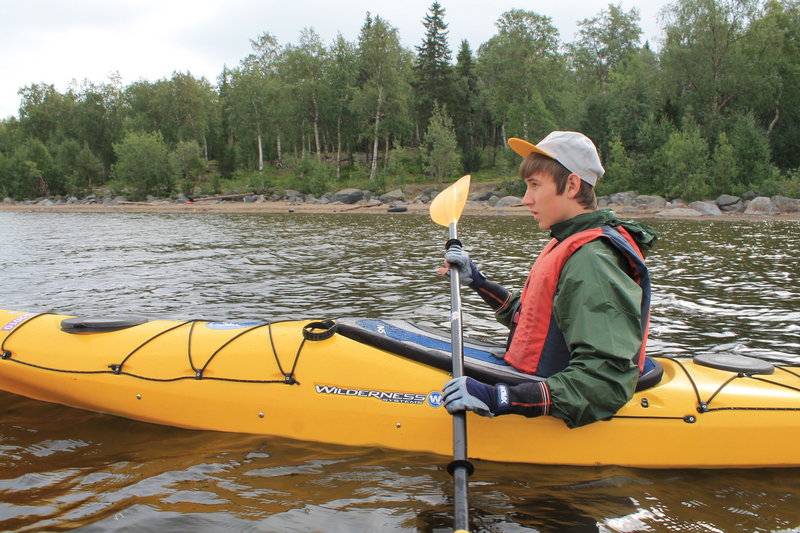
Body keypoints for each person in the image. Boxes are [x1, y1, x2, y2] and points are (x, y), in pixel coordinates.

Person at [441, 131, 658, 428]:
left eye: (534, 186)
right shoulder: (569, 241)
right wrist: (479, 282)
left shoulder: (593, 261)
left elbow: (604, 382)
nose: (525, 199)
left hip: (563, 397)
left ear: (571, 185)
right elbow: (534, 323)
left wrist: (499, 398)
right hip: (539, 376)